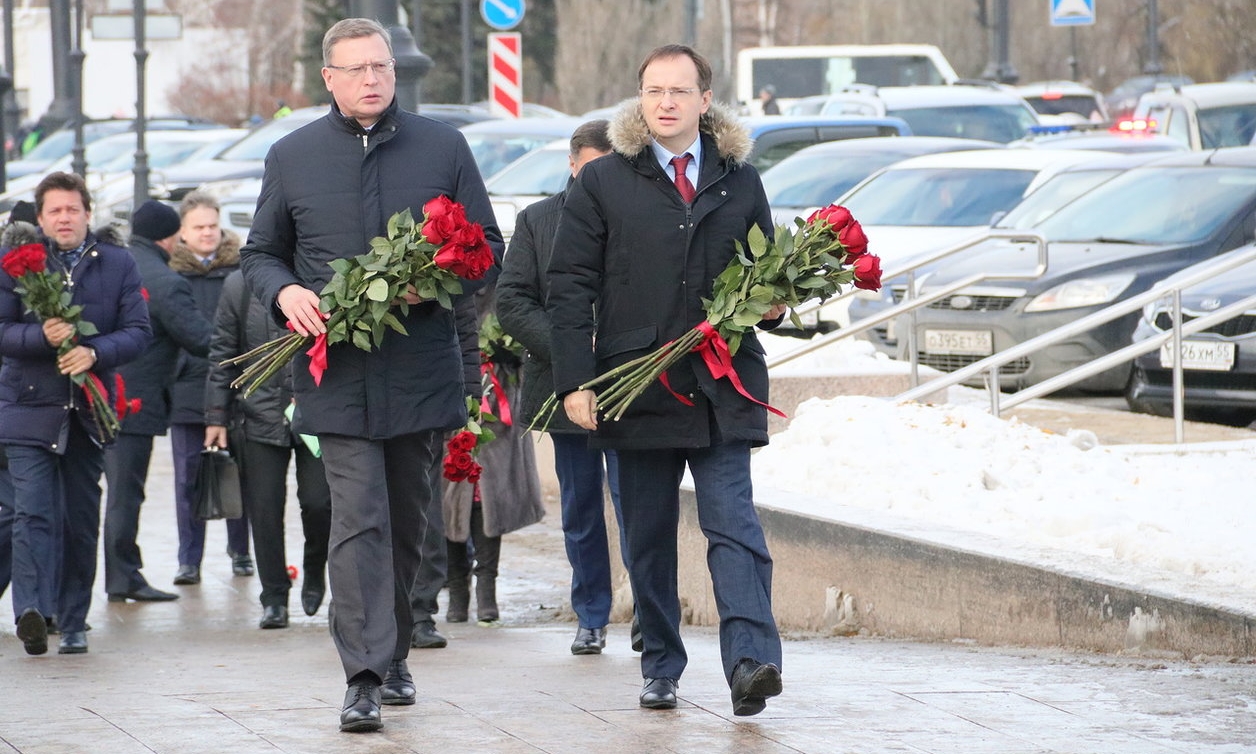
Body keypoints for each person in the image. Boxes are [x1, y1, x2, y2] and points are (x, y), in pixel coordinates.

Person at [239, 17, 503, 733]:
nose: (372, 80)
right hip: (337, 376)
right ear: (328, 78)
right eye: (356, 69)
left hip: (420, 371)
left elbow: (488, 247)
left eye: (381, 67)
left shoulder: (443, 147)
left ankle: (393, 655)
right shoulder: (293, 156)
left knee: (405, 520)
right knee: (358, 518)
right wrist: (284, 291)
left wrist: (434, 283)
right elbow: (261, 252)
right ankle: (361, 674)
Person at [547, 45, 785, 716]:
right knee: (647, 535)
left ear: (705, 101)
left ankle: (750, 663)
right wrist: (576, 380)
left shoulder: (740, 179)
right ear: (640, 97)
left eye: (680, 91)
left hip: (720, 384)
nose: (666, 102)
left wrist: (776, 303)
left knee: (734, 524)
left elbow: (764, 273)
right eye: (655, 90)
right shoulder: (605, 182)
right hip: (638, 386)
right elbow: (568, 286)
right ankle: (660, 663)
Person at [496, 119, 632, 656]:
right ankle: (591, 613)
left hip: (628, 382)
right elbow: (512, 301)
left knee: (636, 502)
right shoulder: (537, 220)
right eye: (594, 168)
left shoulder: (634, 212)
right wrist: (573, 349)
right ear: (574, 164)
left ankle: (647, 608)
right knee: (580, 507)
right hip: (562, 384)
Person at [0, 171, 150, 655]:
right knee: (32, 513)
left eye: (72, 209)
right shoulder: (16, 265)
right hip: (28, 408)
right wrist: (40, 336)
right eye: (55, 211)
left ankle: (74, 619)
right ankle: (31, 610)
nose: (64, 218)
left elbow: (137, 331)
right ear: (41, 219)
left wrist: (94, 353)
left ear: (87, 213)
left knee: (80, 519)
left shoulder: (118, 264)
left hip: (89, 410)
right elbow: (3, 331)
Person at [205, 270, 332, 630]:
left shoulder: (320, 272)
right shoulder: (240, 284)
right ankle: (274, 596)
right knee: (264, 509)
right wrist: (216, 415)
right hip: (258, 414)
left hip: (315, 413)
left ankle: (313, 570)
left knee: (320, 502)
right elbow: (223, 351)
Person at [103, 200, 213, 604]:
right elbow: (202, 339)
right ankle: (123, 578)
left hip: (89, 394)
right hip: (133, 404)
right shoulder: (165, 281)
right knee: (125, 495)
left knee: (91, 496)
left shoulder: (111, 263)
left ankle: (104, 578)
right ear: (168, 237)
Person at [441, 285, 545, 626]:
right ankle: (457, 589)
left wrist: (506, 352)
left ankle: (486, 587)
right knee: (449, 494)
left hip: (496, 405)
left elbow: (526, 338)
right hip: (447, 397)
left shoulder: (503, 288)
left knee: (487, 496)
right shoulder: (439, 285)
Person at [167, 191, 251, 586]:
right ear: (182, 232)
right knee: (188, 478)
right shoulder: (173, 276)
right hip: (187, 389)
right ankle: (189, 559)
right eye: (198, 227)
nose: (207, 234)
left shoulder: (240, 272)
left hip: (235, 387)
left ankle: (241, 552)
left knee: (239, 474)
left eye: (212, 226)